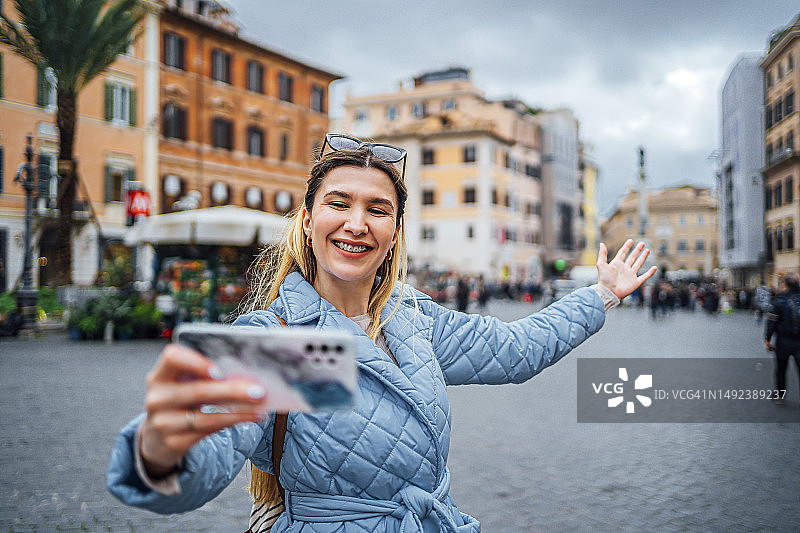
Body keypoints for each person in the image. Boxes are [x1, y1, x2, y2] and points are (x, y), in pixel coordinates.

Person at [106, 133, 657, 532]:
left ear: (394, 232)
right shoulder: (282, 340)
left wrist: (601, 295)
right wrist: (163, 450)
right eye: (338, 204)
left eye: (377, 209)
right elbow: (215, 437)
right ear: (306, 219)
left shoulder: (413, 318)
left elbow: (515, 351)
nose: (355, 223)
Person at [764, 274, 800, 405]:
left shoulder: (780, 299)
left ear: (784, 285)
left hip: (784, 340)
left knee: (781, 369)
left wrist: (767, 339)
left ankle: (780, 394)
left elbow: (771, 321)